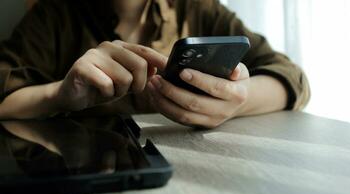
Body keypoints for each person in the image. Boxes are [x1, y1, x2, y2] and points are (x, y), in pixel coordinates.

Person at [0, 0, 310, 128]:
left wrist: (236, 101)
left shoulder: (198, 9)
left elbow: (292, 78)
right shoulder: (55, 15)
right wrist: (59, 95)